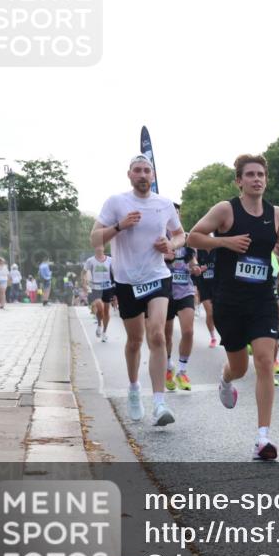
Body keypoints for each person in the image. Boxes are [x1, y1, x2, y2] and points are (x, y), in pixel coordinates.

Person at [188, 154, 279, 460]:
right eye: (250, 174)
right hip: (229, 301)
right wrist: (224, 242)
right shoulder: (226, 210)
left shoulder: (276, 214)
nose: (256, 179)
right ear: (239, 180)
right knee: (240, 367)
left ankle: (263, 438)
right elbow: (193, 236)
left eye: (261, 174)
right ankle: (226, 378)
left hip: (262, 299)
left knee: (264, 360)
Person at [91, 154, 184, 426]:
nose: (142, 175)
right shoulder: (116, 202)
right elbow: (94, 238)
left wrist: (171, 245)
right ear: (129, 175)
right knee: (135, 341)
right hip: (127, 280)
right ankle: (134, 389)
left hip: (158, 276)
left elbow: (181, 235)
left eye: (147, 171)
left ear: (153, 176)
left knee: (157, 335)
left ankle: (159, 403)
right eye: (137, 171)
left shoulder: (164, 204)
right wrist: (120, 226)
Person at [163, 205, 197, 392]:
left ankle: (182, 371)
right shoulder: (160, 239)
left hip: (185, 291)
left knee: (189, 331)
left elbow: (193, 261)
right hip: (165, 293)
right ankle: (168, 367)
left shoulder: (187, 239)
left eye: (176, 214)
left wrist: (195, 268)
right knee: (166, 335)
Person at [83, 246, 116, 342]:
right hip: (96, 288)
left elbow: (115, 274)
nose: (99, 249)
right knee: (100, 309)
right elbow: (83, 272)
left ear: (103, 248)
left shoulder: (110, 260)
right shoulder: (90, 260)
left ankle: (104, 332)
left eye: (101, 247)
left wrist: (116, 290)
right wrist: (84, 283)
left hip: (108, 288)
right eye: (97, 247)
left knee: (106, 311)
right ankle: (99, 324)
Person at [193, 245, 219, 347]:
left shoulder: (218, 248)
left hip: (217, 285)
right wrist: (198, 268)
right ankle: (213, 337)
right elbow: (193, 267)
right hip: (204, 286)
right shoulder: (198, 250)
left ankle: (222, 333)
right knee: (210, 312)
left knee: (219, 313)